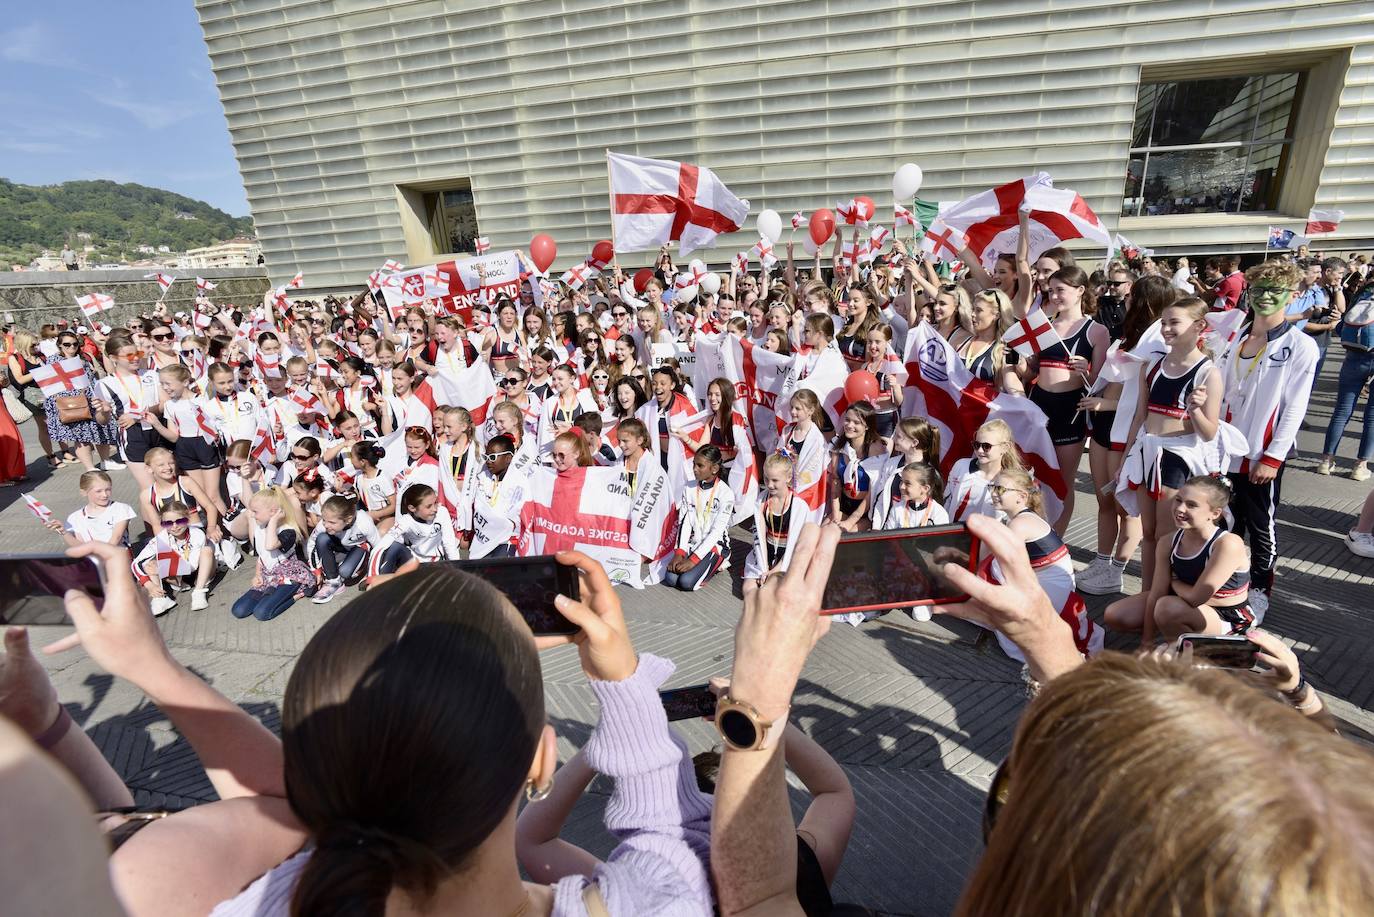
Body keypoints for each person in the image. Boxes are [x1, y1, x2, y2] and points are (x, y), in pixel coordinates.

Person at [1217, 259, 1319, 607]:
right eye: (1258, 289)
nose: (1264, 297)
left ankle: (1259, 592)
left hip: (1261, 454)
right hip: (1226, 449)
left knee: (1261, 526)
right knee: (1226, 523)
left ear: (1291, 296)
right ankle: (1227, 586)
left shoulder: (1300, 346)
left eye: (1274, 291)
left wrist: (1273, 458)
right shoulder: (1236, 336)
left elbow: (1295, 407)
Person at [1076, 275, 1174, 595]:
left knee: (1124, 505)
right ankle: (1102, 560)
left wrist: (1107, 403)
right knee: (1105, 501)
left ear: (1145, 301)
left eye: (1133, 296)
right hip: (1104, 426)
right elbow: (1108, 377)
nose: (1125, 299)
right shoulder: (1126, 335)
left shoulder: (1158, 341)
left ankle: (1117, 569)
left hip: (1125, 428)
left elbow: (1146, 398)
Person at [1117, 297, 1223, 592]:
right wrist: (1126, 458)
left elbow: (1209, 433)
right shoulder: (1151, 366)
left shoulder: (1207, 372)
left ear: (1199, 326)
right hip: (1146, 452)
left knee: (1167, 536)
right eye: (1163, 322)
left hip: (1177, 459)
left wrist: (1196, 409)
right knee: (1148, 532)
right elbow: (1140, 416)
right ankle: (1147, 595)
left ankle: (1161, 600)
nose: (1165, 328)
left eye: (1174, 322)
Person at [1105, 475, 1252, 644]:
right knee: (1115, 615)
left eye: (1191, 505)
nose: (1180, 509)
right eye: (1178, 500)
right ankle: (1174, 634)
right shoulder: (1168, 541)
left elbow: (1196, 597)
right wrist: (1147, 643)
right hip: (1181, 603)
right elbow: (1157, 593)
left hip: (1225, 616)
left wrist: (1173, 582)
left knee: (1166, 608)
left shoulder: (1228, 544)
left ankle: (1188, 655)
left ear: (1215, 513)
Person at [1024, 266, 1109, 534]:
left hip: (1070, 409)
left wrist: (1087, 368)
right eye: (1051, 291)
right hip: (1039, 405)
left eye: (1061, 290)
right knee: (1033, 476)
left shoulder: (1096, 331)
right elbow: (1030, 371)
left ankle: (1056, 539)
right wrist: (1019, 361)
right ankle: (1034, 532)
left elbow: (1102, 382)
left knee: (1063, 481)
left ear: (1080, 290)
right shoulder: (1043, 325)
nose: (1056, 296)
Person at [987, 468, 1102, 661]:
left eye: (999, 489)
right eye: (992, 487)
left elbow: (1004, 566)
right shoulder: (1022, 517)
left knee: (990, 582)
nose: (993, 493)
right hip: (1053, 584)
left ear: (1021, 497)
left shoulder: (1019, 524)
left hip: (1053, 590)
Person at [1317, 270, 1373, 480]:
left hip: (1353, 357)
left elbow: (1342, 328)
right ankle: (1360, 466)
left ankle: (1326, 460)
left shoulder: (1363, 292)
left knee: (1341, 410)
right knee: (1372, 417)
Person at [232, 487, 314, 621]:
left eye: (255, 512)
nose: (251, 515)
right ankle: (269, 595)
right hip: (269, 575)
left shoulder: (287, 531)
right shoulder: (260, 526)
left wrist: (274, 521)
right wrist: (257, 575)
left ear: (273, 512)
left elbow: (270, 546)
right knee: (239, 610)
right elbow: (262, 556)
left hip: (289, 577)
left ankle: (296, 595)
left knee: (262, 613)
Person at [664, 445, 735, 592]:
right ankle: (700, 564)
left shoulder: (726, 494)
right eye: (694, 464)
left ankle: (717, 563)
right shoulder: (689, 488)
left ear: (714, 469)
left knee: (686, 583)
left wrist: (693, 560)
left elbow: (716, 532)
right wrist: (680, 552)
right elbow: (685, 522)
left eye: (700, 465)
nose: (694, 469)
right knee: (671, 579)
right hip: (694, 542)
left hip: (716, 545)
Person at [133, 500, 215, 615]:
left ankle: (199, 592)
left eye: (180, 521)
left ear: (187, 519)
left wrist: (163, 568)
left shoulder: (197, 534)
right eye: (168, 523)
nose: (175, 526)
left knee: (207, 551)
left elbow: (192, 566)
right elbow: (136, 563)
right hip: (178, 580)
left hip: (200, 573)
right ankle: (160, 598)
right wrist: (149, 584)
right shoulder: (161, 538)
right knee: (149, 564)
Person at [744, 454, 809, 594]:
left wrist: (774, 571)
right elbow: (759, 539)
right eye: (766, 478)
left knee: (772, 590)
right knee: (749, 590)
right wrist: (764, 569)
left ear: (788, 478)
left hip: (787, 558)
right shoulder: (762, 500)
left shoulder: (799, 506)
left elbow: (795, 546)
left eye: (775, 480)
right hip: (765, 555)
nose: (769, 484)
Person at [945, 418, 1024, 521]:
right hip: (952, 534)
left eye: (987, 446)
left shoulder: (1013, 481)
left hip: (988, 536)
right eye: (976, 445)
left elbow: (1013, 517)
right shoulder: (961, 466)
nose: (980, 450)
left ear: (1005, 447)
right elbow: (947, 502)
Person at [308, 494, 381, 604]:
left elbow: (379, 547)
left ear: (348, 520)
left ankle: (360, 566)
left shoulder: (364, 522)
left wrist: (373, 574)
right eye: (324, 519)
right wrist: (316, 570)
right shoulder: (323, 525)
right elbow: (311, 544)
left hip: (359, 548)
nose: (326, 525)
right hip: (341, 547)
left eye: (332, 522)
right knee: (322, 538)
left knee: (345, 572)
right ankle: (333, 581)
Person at [7, 331, 60, 469]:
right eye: (33, 344)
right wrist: (40, 371)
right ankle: (51, 456)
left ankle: (65, 452)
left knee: (58, 422)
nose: (36, 347)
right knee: (44, 425)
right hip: (34, 396)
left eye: (36, 344)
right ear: (24, 344)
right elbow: (20, 379)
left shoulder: (39, 356)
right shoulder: (15, 358)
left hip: (49, 391)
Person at [829, 403, 883, 531]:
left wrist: (850, 521)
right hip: (843, 505)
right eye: (847, 420)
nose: (849, 425)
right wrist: (836, 517)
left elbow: (872, 492)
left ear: (867, 426)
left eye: (856, 422)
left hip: (865, 512)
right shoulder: (839, 445)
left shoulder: (876, 449)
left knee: (846, 538)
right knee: (825, 531)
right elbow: (835, 482)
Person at [47, 470, 135, 547]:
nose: (105, 494)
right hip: (92, 561)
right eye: (98, 491)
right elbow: (79, 546)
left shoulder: (121, 509)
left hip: (118, 560)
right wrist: (64, 532)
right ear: (84, 492)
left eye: (108, 489)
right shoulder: (75, 518)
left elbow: (116, 538)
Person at [775, 390, 827, 518]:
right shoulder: (788, 431)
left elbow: (813, 471)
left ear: (810, 410)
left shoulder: (817, 439)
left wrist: (793, 486)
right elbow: (777, 459)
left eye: (798, 408)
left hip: (803, 492)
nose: (793, 412)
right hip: (784, 487)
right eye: (792, 407)